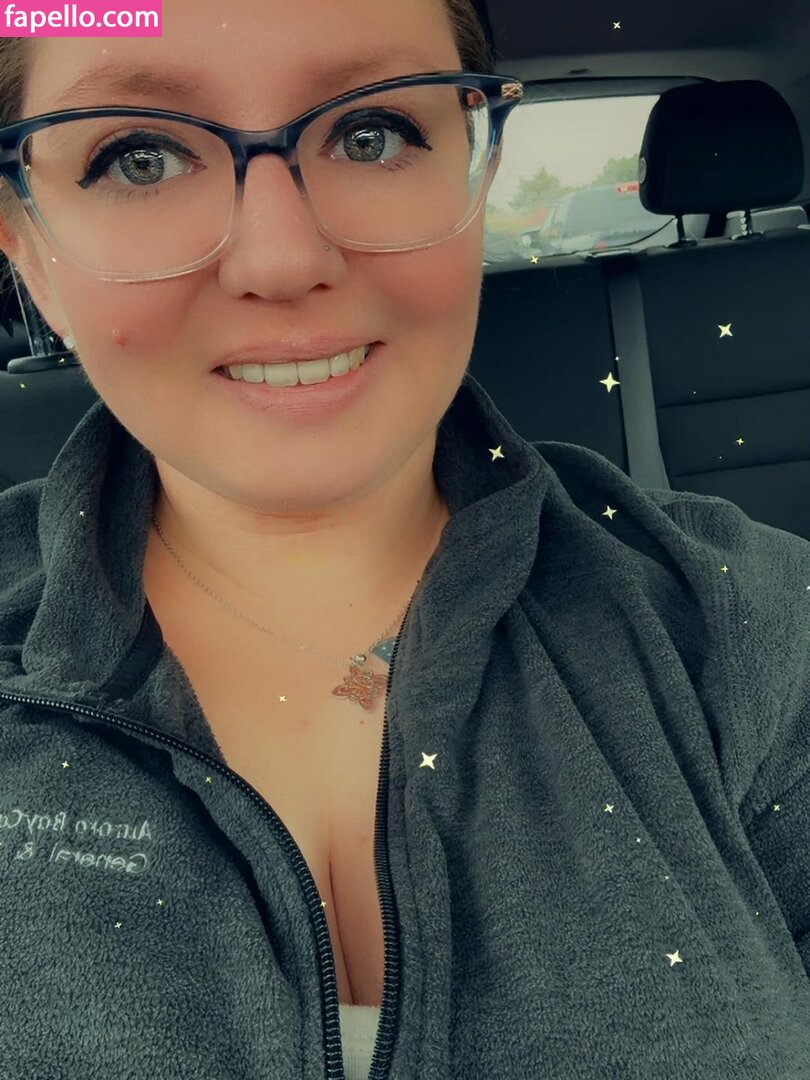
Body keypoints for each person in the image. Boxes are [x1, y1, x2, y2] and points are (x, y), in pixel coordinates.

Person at [0, 1, 809, 1077]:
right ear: (25, 244)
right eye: (139, 157)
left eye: (372, 132)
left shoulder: (750, 630)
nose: (283, 259)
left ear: (477, 172)